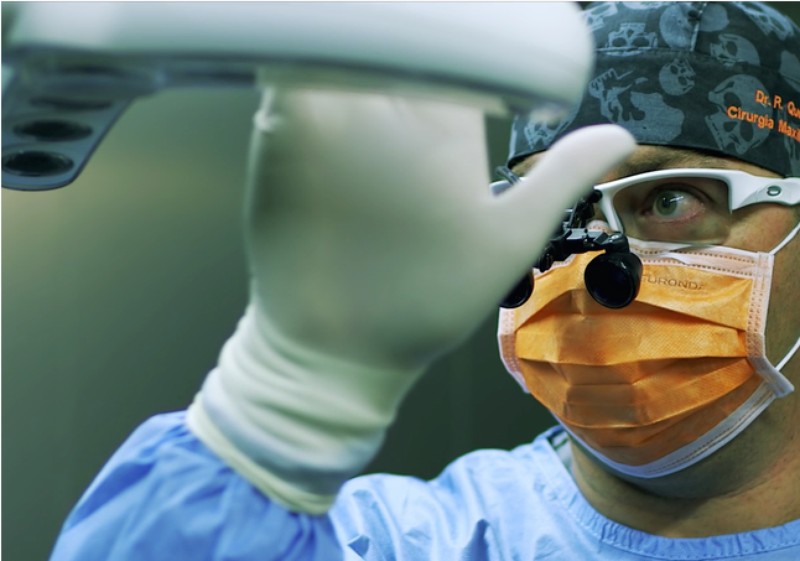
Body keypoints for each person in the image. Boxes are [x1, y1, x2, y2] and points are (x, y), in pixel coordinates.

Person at [48, 2, 800, 560]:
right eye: (557, 215)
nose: (587, 271)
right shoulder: (393, 542)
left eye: (670, 201)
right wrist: (280, 401)